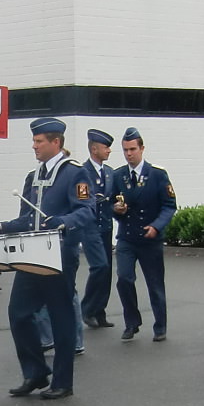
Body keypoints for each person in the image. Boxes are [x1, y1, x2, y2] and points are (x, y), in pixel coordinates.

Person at [0, 116, 91, 397]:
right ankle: (36, 372)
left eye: (39, 141)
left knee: (61, 318)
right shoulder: (33, 175)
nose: (34, 146)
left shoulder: (74, 173)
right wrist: (2, 226)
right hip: (31, 256)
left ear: (56, 142)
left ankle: (62, 382)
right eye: (34, 141)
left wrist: (63, 221)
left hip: (59, 257)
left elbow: (86, 210)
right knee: (19, 313)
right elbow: (28, 218)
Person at [111, 127, 177, 343]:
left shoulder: (157, 174)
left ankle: (160, 325)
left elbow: (169, 205)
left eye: (132, 149)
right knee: (124, 278)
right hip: (127, 237)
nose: (129, 154)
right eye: (125, 150)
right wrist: (116, 210)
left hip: (150, 238)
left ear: (142, 149)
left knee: (155, 284)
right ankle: (132, 322)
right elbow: (110, 203)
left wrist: (157, 226)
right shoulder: (118, 175)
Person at [78, 129, 116, 327]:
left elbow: (112, 198)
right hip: (90, 227)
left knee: (107, 270)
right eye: (105, 147)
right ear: (94, 149)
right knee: (99, 266)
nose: (109, 150)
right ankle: (87, 309)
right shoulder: (82, 172)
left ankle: (100, 311)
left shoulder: (109, 172)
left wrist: (117, 206)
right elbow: (83, 199)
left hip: (106, 225)